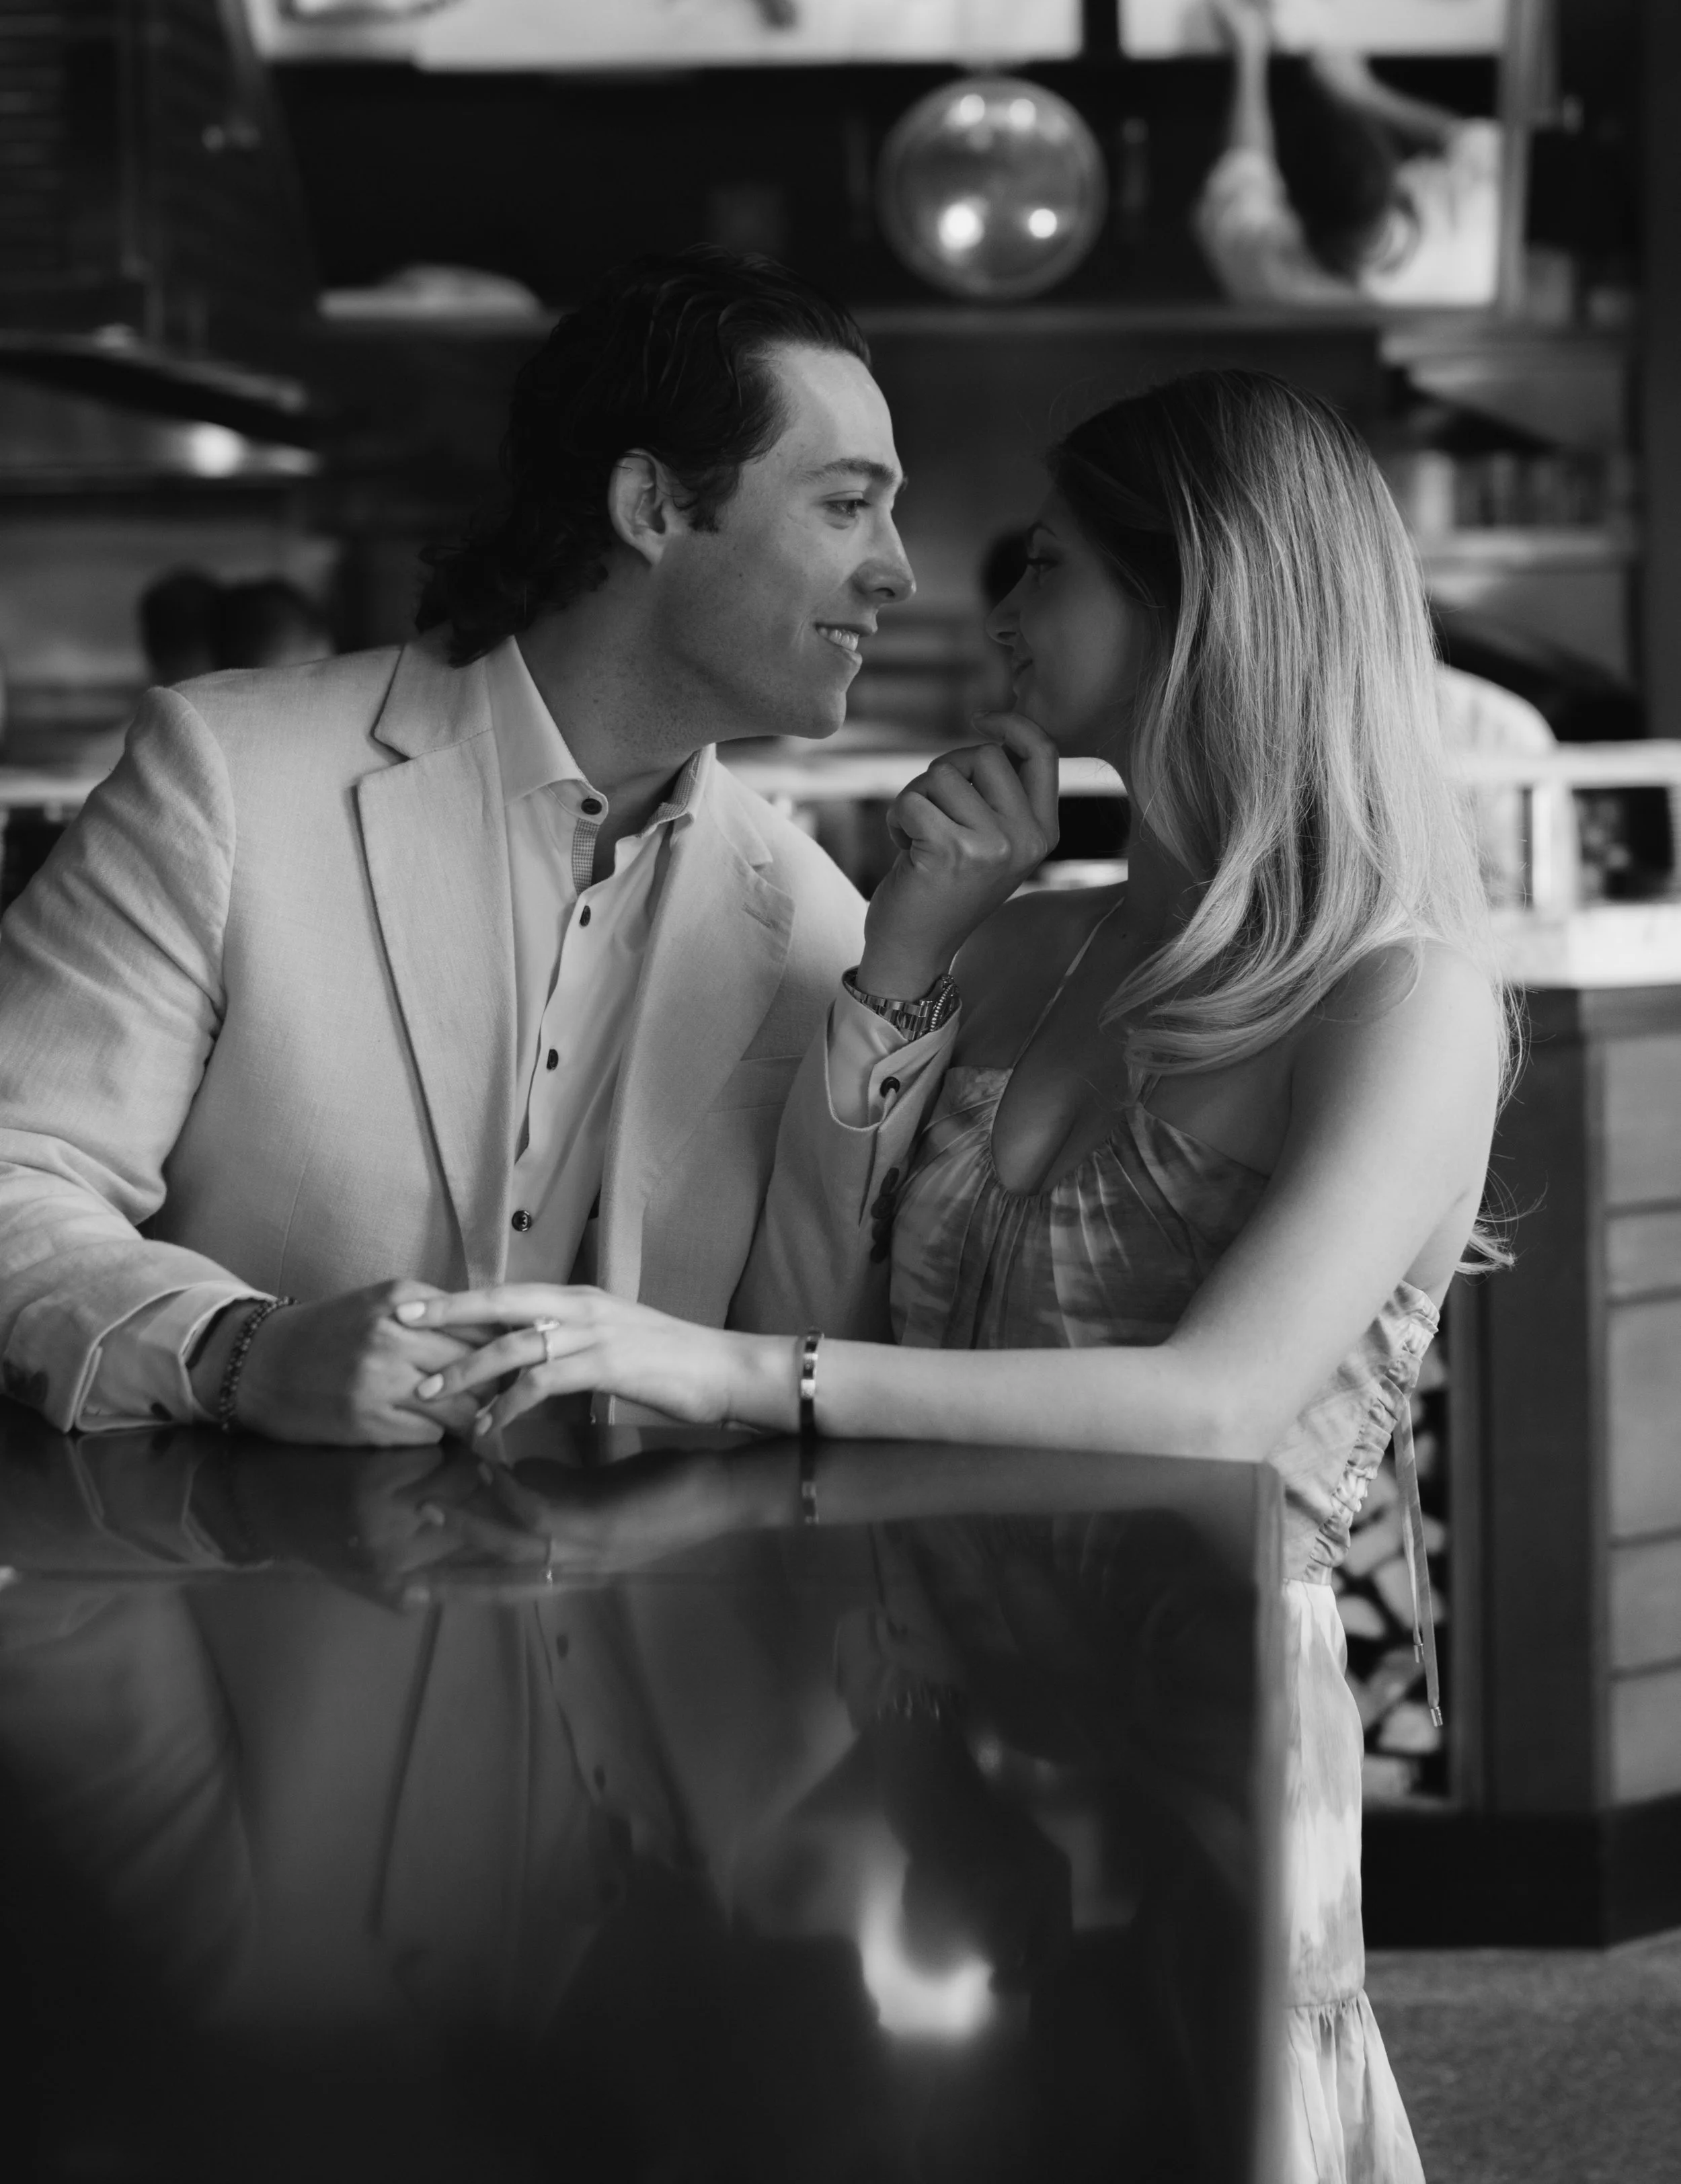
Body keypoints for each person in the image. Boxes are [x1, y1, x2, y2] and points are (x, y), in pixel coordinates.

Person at [409, 368, 1512, 2181]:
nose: (990, 608)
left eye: (1049, 569)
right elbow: (827, 1301)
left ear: (1201, 600)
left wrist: (707, 1368)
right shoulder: (1021, 950)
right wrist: (908, 952)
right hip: (930, 1688)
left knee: (1189, 2116)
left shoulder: (1395, 992)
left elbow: (1215, 1403)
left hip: (1189, 1724)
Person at [0, 247, 911, 1440]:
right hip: (229, 1595)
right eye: (848, 505)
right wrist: (239, 1351)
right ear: (653, 507)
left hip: (635, 1610)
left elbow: (808, 1356)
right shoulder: (226, 778)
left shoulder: (822, 922)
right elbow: (20, 1174)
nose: (895, 571)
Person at [1194, 0, 1501, 309]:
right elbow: (1476, 136)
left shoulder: (1265, 269)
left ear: (1291, 209)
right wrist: (1365, 94)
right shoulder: (1482, 226)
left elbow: (1244, 165)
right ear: (1397, 178)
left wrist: (1250, 51)